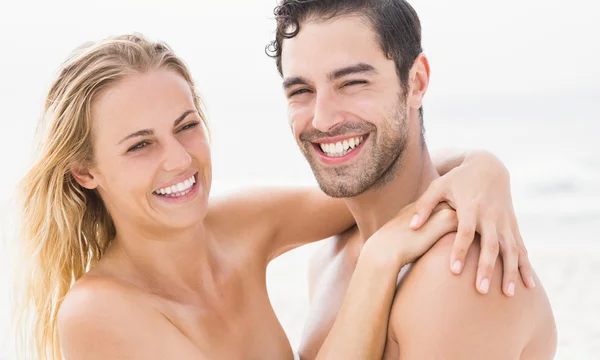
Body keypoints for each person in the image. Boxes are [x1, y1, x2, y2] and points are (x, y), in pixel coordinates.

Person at [15, 34, 527, 360]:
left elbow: (376, 182)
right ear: (85, 172)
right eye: (140, 145)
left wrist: (484, 169)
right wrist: (375, 265)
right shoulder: (98, 314)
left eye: (186, 126)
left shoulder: (236, 225)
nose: (178, 160)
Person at [267, 0, 557, 359]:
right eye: (301, 90)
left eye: (352, 83)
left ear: (416, 82)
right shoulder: (331, 257)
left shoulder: (456, 273)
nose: (322, 118)